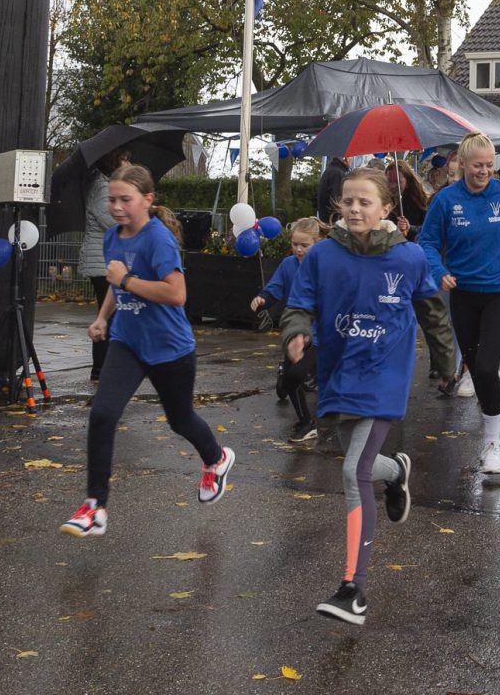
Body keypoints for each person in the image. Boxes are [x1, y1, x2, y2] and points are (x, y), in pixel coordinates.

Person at [278, 166, 454, 625]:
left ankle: (352, 588)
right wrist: (296, 333)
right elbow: (300, 304)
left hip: (384, 375)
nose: (355, 209)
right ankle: (396, 470)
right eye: (348, 201)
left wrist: (445, 362)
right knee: (357, 459)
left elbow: (432, 310)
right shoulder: (322, 257)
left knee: (354, 471)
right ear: (338, 206)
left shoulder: (409, 258)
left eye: (365, 202)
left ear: (385, 210)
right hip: (338, 374)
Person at [63, 163, 234, 539]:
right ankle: (95, 506)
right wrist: (103, 317)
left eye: (126, 199)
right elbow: (115, 281)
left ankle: (216, 458)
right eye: (112, 200)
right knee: (103, 414)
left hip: (169, 347)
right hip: (127, 341)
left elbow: (177, 294)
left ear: (147, 200)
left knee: (180, 420)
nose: (117, 207)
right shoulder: (113, 236)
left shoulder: (158, 239)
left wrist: (125, 279)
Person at [419, 131, 500, 475]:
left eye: (490, 165)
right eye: (478, 165)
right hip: (463, 293)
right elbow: (427, 240)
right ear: (461, 163)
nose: (484, 171)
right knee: (475, 366)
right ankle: (498, 429)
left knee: (488, 365)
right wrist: (438, 269)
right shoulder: (446, 200)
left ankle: (493, 438)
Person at [250, 216, 323, 442]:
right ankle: (306, 422)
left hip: (321, 334)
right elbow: (275, 288)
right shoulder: (288, 265)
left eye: (304, 245)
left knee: (300, 374)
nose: (298, 250)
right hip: (295, 332)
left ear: (318, 242)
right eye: (295, 244)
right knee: (290, 380)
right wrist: (262, 299)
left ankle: (322, 418)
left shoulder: (326, 266)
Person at [77, 147, 128, 382]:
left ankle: (103, 367)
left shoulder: (106, 185)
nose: (128, 162)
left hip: (105, 259)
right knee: (108, 315)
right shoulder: (100, 186)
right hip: (101, 261)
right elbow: (110, 220)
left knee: (109, 314)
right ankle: (100, 369)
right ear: (113, 161)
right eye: (124, 159)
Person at [315, 154, 351, 222]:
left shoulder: (330, 171)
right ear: (345, 158)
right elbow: (336, 200)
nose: (351, 159)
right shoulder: (337, 173)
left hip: (326, 220)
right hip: (333, 222)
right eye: (350, 157)